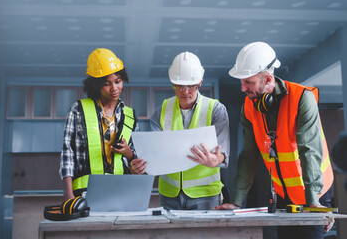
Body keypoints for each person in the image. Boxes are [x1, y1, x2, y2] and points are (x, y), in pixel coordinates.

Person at [215, 42, 335, 238]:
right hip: (283, 194)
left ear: (268, 78)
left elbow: (309, 150)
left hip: (314, 191)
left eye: (249, 82)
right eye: (242, 82)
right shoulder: (250, 106)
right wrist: (236, 201)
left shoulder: (302, 99)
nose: (243, 88)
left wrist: (313, 202)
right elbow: (248, 155)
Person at [134, 51, 230, 210]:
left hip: (205, 194)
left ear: (200, 82)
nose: (185, 91)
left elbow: (222, 152)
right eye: (179, 85)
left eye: (191, 85)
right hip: (169, 194)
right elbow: (155, 153)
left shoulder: (216, 110)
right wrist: (143, 164)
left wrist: (216, 160)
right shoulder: (160, 112)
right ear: (172, 83)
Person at [59, 48, 146, 200]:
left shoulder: (130, 116)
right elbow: (68, 154)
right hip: (85, 194)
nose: (114, 88)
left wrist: (128, 153)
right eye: (107, 84)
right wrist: (68, 194)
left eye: (118, 81)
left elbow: (135, 163)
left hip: (122, 192)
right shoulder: (78, 110)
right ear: (95, 85)